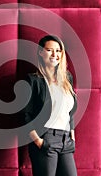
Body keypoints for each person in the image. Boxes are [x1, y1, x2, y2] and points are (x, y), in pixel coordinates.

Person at [23, 35, 78, 176]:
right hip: (45, 138)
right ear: (41, 52)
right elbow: (25, 115)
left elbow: (69, 112)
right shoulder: (33, 80)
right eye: (49, 50)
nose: (55, 54)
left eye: (58, 50)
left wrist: (72, 136)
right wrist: (38, 141)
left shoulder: (67, 78)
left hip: (66, 140)